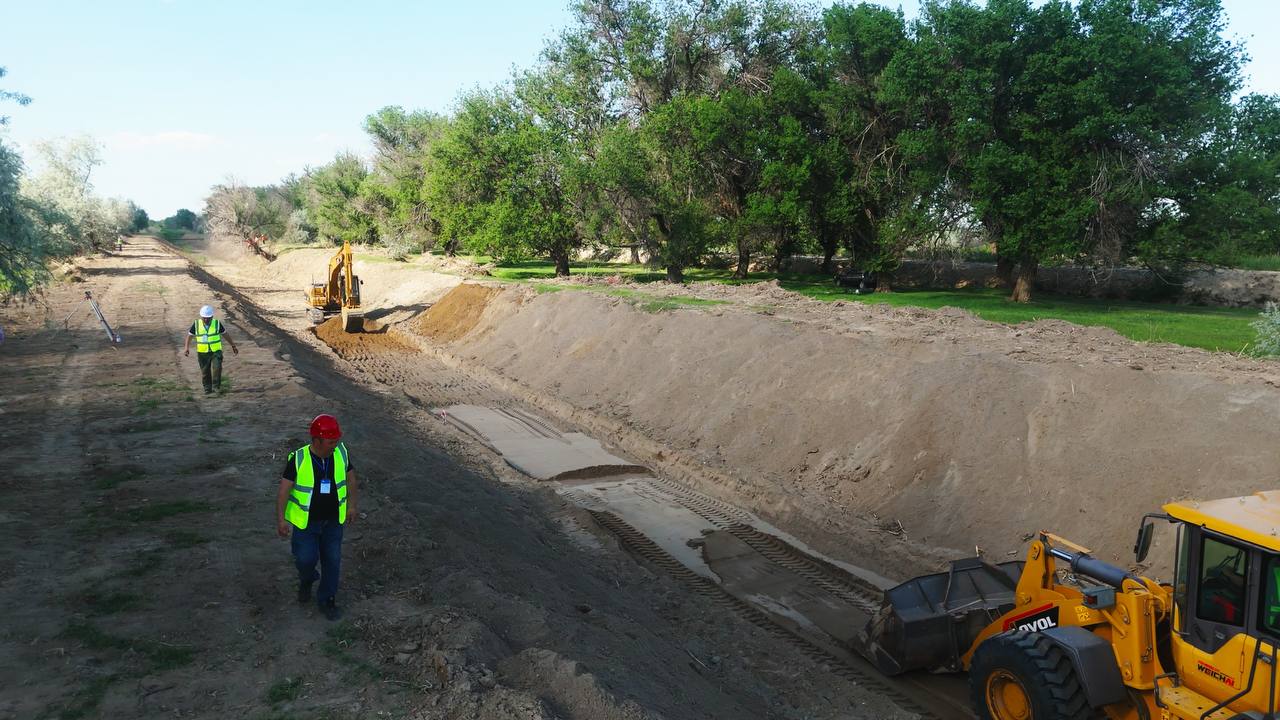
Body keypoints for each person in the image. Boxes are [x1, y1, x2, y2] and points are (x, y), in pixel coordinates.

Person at [276, 414, 358, 621]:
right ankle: (307, 578)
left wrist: (352, 506)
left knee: (332, 560)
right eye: (331, 442)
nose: (334, 445)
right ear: (317, 440)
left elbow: (350, 479)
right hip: (306, 524)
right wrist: (281, 519)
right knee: (305, 559)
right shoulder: (299, 458)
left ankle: (327, 599)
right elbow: (284, 490)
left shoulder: (341, 453)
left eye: (336, 441)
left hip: (333, 521)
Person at [183, 304, 238, 394]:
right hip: (202, 352)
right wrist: (186, 348)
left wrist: (233, 345)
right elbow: (190, 336)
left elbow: (225, 334)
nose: (206, 320)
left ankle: (216, 387)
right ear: (201, 316)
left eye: (208, 318)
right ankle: (207, 388)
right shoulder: (196, 324)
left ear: (212, 317)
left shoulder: (216, 323)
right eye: (204, 318)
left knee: (217, 368)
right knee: (205, 371)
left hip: (216, 351)